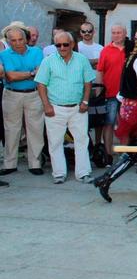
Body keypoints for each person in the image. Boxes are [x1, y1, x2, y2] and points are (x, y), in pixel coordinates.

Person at [94, 24, 137, 203]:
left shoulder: (136, 57)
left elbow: (123, 90)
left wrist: (125, 102)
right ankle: (105, 180)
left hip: (131, 107)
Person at [35, 31, 96, 184]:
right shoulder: (48, 61)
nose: (62, 47)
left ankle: (83, 173)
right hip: (55, 108)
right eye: (58, 45)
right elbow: (41, 84)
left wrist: (85, 102)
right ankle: (59, 173)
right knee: (55, 142)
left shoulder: (82, 60)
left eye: (65, 44)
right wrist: (46, 105)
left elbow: (88, 82)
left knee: (82, 140)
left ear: (72, 44)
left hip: (77, 108)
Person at [0, 25, 45, 176]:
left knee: (36, 129)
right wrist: (32, 72)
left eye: (20, 39)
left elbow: (41, 74)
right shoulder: (4, 54)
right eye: (13, 40)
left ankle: (35, 163)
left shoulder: (37, 52)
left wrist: (24, 74)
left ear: (26, 39)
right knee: (11, 129)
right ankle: (10, 163)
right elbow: (11, 77)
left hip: (33, 93)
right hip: (12, 94)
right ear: (8, 41)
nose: (18, 43)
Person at [96, 24, 127, 163]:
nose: (116, 35)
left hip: (127, 94)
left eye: (119, 32)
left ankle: (125, 155)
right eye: (113, 32)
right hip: (110, 94)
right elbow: (100, 71)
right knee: (108, 123)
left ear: (125, 33)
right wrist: (99, 91)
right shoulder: (105, 50)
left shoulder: (131, 49)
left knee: (126, 125)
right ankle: (108, 155)